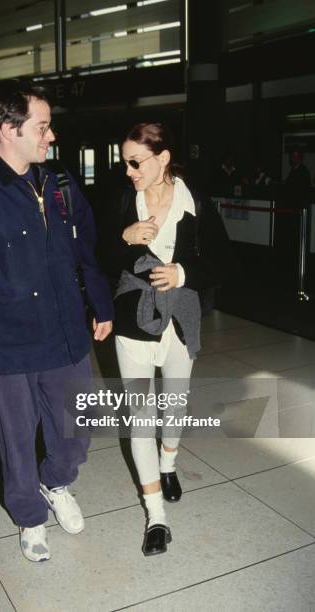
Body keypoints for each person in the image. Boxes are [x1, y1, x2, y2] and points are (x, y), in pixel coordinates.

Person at [0, 83, 113, 563]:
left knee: (78, 431)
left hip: (65, 339)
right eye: (42, 126)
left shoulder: (60, 186)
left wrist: (103, 304)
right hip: (3, 351)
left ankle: (55, 482)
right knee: (16, 445)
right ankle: (30, 519)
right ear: (7, 130)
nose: (51, 136)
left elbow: (85, 251)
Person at [113, 123, 231, 556]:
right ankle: (156, 516)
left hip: (181, 319)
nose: (128, 171)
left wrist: (184, 274)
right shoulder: (125, 199)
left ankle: (169, 464)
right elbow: (96, 254)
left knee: (175, 402)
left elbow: (224, 260)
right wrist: (123, 237)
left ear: (162, 159)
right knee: (141, 416)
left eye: (135, 162)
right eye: (124, 161)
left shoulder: (195, 203)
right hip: (134, 318)